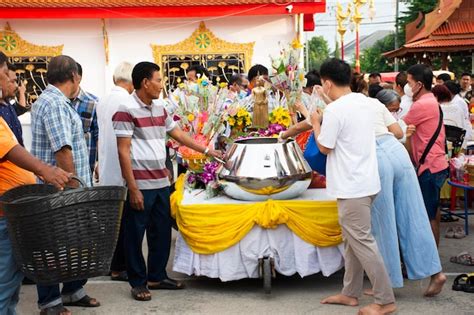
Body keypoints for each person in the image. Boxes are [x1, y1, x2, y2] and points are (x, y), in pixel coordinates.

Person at [112, 62, 223, 302]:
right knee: (134, 234)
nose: (162, 85)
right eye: (159, 80)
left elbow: (179, 134)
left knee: (161, 232)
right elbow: (123, 151)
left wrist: (206, 150)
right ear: (145, 83)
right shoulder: (126, 108)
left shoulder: (160, 107)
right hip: (140, 184)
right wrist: (132, 188)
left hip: (161, 181)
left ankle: (157, 276)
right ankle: (138, 282)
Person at [311, 58, 396, 315]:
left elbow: (325, 147)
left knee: (362, 242)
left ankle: (385, 299)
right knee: (353, 241)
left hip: (352, 186)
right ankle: (350, 292)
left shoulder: (336, 110)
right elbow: (343, 115)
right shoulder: (363, 102)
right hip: (366, 181)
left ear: (326, 83)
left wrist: (315, 122)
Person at [31, 55, 100, 314]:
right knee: (52, 245)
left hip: (64, 187)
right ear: (74, 76)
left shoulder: (53, 100)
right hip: (60, 190)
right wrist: (73, 188)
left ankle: (72, 290)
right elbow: (62, 150)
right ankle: (50, 301)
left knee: (73, 241)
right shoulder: (55, 103)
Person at [371, 87, 446, 296]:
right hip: (398, 155)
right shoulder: (375, 106)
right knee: (415, 218)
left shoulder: (343, 107)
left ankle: (387, 281)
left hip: (379, 155)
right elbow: (398, 133)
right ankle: (436, 273)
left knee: (383, 222)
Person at [402, 64, 449, 247]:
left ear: (419, 84)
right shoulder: (432, 101)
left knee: (427, 216)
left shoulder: (421, 105)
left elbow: (396, 126)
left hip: (429, 166)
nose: (408, 86)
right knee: (433, 211)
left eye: (409, 82)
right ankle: (433, 257)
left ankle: (430, 263)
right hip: (437, 164)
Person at [96, 61, 134, 282]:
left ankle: (112, 263)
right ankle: (119, 266)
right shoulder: (125, 101)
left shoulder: (104, 99)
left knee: (113, 221)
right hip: (121, 166)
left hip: (108, 164)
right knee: (125, 221)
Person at [70, 63, 99, 173]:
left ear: (78, 78)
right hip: (60, 168)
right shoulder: (57, 103)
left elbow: (99, 135)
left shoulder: (93, 102)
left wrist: (100, 162)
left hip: (85, 167)